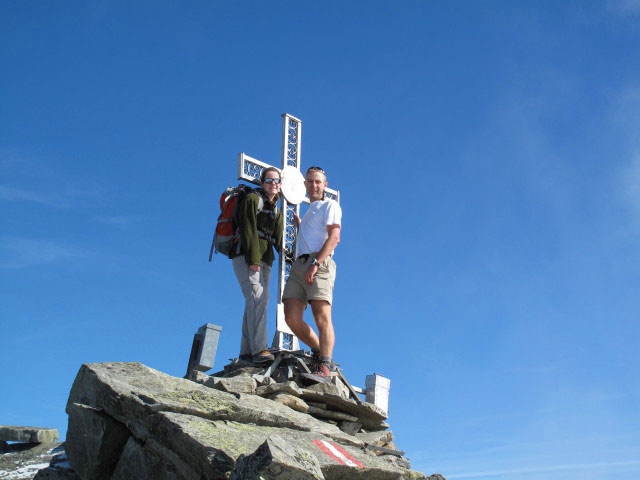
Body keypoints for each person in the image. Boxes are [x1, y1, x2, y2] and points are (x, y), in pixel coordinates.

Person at [282, 166, 342, 377]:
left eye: (318, 181)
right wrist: (300, 226)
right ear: (305, 184)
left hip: (320, 262)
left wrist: (316, 263)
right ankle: (318, 352)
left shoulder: (330, 205)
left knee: (321, 316)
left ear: (325, 185)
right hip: (299, 265)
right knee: (291, 317)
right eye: (310, 181)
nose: (313, 185)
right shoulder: (310, 211)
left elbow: (334, 238)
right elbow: (311, 235)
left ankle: (325, 366)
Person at [231, 167, 284, 364]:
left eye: (277, 180)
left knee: (256, 302)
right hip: (247, 256)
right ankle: (260, 349)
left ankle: (246, 352)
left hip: (266, 259)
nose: (273, 183)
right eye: (269, 180)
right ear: (262, 182)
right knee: (258, 299)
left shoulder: (276, 209)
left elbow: (278, 239)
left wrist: (292, 258)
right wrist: (253, 259)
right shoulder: (253, 199)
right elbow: (247, 228)